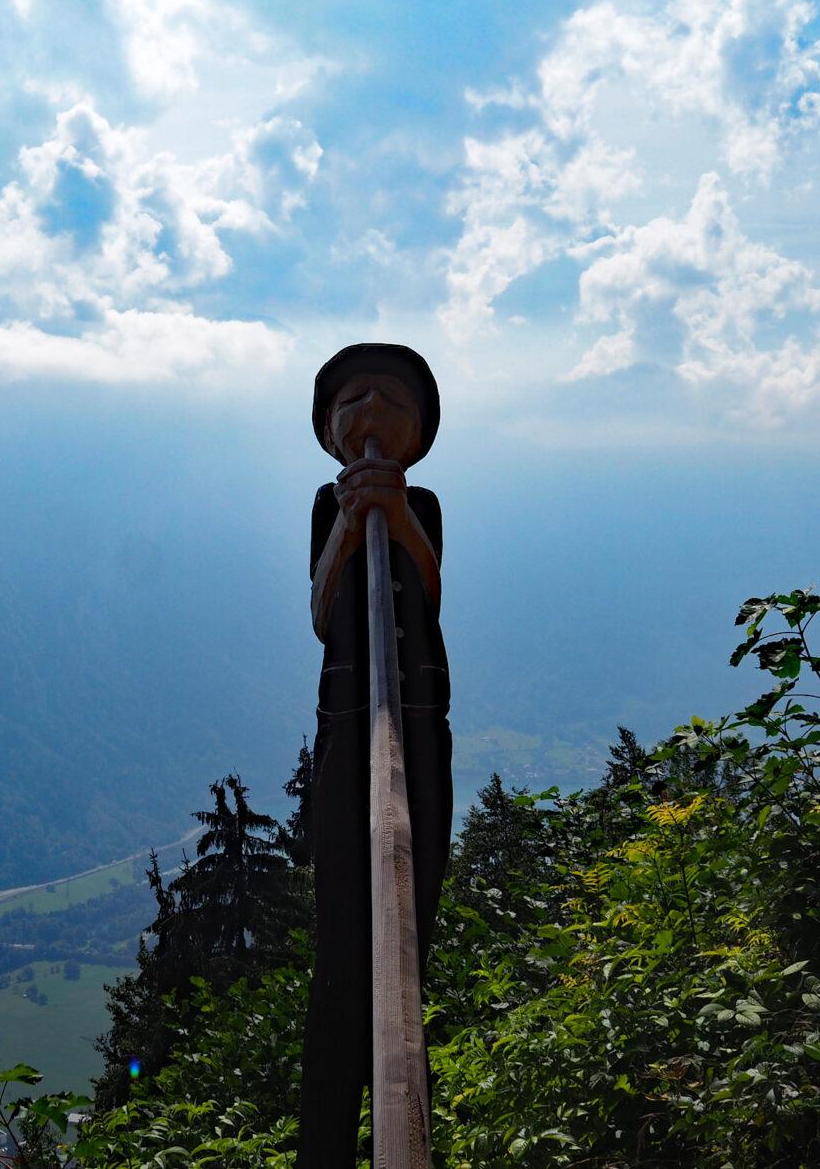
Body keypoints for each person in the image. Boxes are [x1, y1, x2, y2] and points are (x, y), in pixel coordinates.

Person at [298, 343, 453, 1168]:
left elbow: (429, 588)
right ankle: (326, 1142)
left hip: (423, 721)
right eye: (354, 397)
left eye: (392, 399)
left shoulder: (422, 499)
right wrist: (354, 527)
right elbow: (323, 608)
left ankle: (403, 1098)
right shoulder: (328, 505)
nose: (372, 409)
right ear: (330, 426)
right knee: (342, 940)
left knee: (412, 907)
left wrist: (396, 518)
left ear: (418, 428)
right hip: (348, 720)